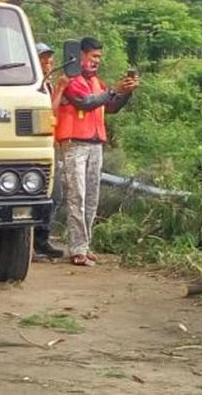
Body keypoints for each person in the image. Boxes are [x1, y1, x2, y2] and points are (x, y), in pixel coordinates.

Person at [55, 37, 138, 266]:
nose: (96, 62)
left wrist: (126, 93)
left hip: (95, 144)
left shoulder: (98, 83)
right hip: (74, 143)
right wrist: (114, 90)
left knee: (92, 197)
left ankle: (85, 245)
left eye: (99, 58)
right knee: (77, 195)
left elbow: (110, 107)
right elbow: (84, 102)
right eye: (94, 57)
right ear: (81, 55)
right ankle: (77, 249)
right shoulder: (71, 81)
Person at [33, 42, 64, 260]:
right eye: (43, 59)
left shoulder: (49, 85)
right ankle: (36, 240)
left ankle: (41, 238)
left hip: (51, 145)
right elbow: (46, 112)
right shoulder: (32, 87)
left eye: (50, 60)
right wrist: (61, 89)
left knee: (55, 196)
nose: (48, 64)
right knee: (47, 194)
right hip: (34, 148)